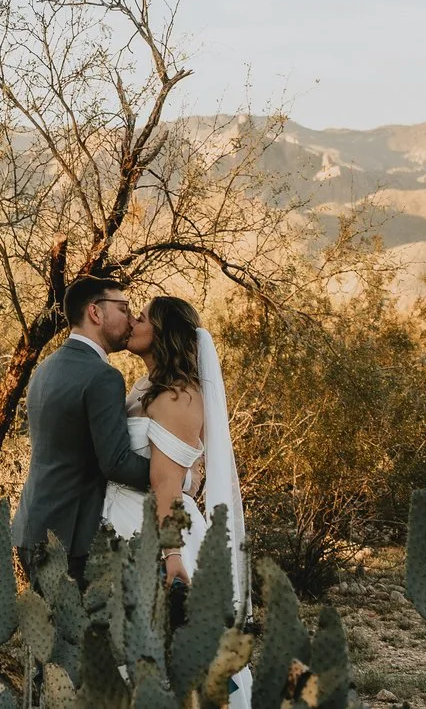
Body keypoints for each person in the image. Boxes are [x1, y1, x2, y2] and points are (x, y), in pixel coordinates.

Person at [104, 294, 251, 706]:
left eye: (144, 317)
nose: (133, 321)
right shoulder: (149, 387)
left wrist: (171, 557)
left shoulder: (178, 398)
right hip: (125, 518)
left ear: (164, 334)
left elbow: (167, 485)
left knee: (164, 650)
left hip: (159, 530)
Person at [15, 274, 152, 581]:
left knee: (50, 628)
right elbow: (116, 463)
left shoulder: (45, 368)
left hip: (30, 525)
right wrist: (174, 477)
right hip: (70, 536)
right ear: (95, 312)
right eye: (124, 309)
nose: (130, 320)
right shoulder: (103, 376)